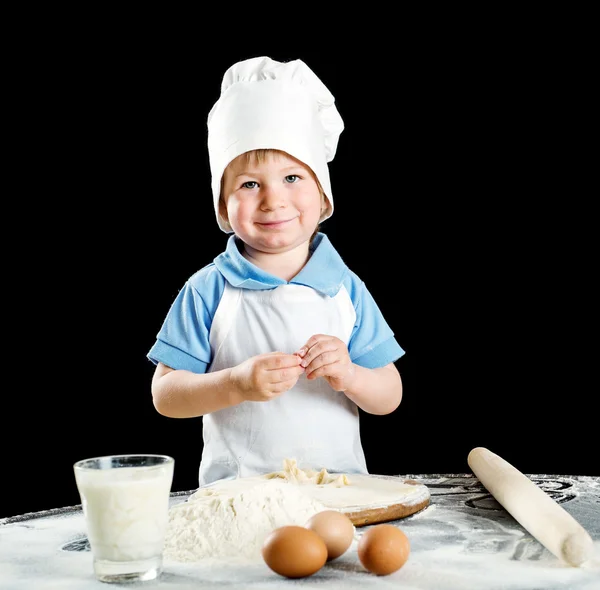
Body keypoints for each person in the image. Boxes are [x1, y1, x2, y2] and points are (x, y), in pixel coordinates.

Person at [147, 56, 405, 487]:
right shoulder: (209, 289)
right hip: (238, 496)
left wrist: (351, 375)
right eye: (249, 184)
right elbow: (165, 396)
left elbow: (390, 395)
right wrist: (235, 383)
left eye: (292, 178)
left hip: (338, 491)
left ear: (322, 196)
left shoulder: (344, 288)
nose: (273, 200)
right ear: (223, 206)